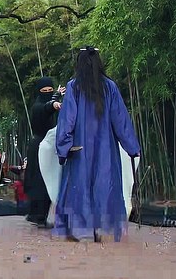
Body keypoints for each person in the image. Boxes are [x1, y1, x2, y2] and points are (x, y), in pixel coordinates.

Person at [54, 46, 141, 243]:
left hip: (80, 148)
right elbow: (121, 120)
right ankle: (101, 227)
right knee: (104, 185)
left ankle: (82, 230)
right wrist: (132, 147)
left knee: (80, 186)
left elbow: (67, 120)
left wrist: (64, 147)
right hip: (105, 149)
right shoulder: (110, 87)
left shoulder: (74, 87)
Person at [24, 76, 64, 227]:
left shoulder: (50, 101)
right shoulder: (37, 107)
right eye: (44, 90)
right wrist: (53, 103)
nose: (47, 92)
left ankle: (43, 214)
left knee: (50, 180)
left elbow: (51, 102)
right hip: (39, 148)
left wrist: (56, 95)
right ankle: (37, 215)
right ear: (39, 92)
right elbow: (45, 108)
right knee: (38, 182)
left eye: (50, 90)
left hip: (51, 147)